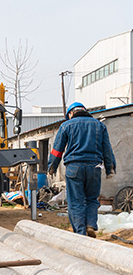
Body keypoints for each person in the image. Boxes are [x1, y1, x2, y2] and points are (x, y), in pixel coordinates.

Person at [48, 102, 116, 238]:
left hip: (74, 168)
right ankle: (90, 224)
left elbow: (57, 150)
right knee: (92, 199)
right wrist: (110, 168)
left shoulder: (66, 125)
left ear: (71, 113)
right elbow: (107, 150)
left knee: (76, 201)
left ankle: (80, 233)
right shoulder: (99, 125)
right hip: (94, 167)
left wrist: (52, 167)